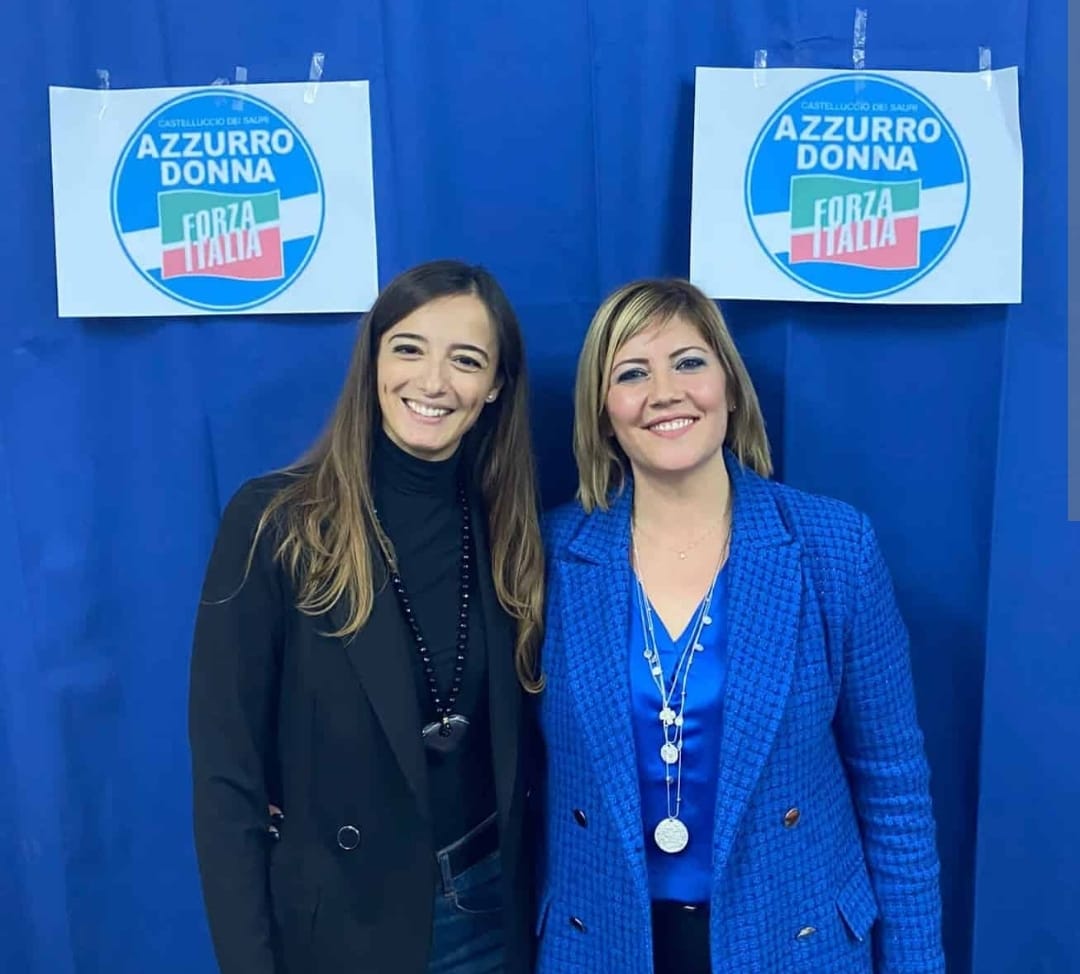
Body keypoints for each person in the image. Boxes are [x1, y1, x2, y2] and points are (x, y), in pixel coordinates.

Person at [535, 278, 945, 973]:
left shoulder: (834, 547)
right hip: (600, 943)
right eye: (632, 373)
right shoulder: (548, 555)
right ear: (602, 413)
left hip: (796, 942)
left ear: (729, 387)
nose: (665, 392)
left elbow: (893, 785)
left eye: (689, 362)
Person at [188, 260, 544, 974]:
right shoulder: (276, 523)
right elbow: (228, 778)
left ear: (495, 386)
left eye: (465, 359)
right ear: (374, 360)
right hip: (340, 926)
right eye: (409, 348)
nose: (433, 382)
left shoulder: (512, 530)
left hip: (486, 911)